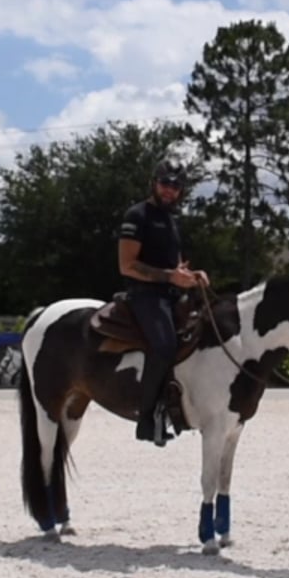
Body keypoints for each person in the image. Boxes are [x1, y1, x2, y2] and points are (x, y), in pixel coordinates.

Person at [117, 162, 208, 446]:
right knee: (165, 345)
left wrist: (192, 276)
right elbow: (127, 265)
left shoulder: (171, 220)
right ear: (154, 183)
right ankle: (145, 418)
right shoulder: (137, 215)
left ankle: (178, 404)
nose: (169, 191)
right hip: (145, 294)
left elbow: (176, 264)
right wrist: (171, 276)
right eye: (165, 184)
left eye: (175, 186)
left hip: (171, 294)